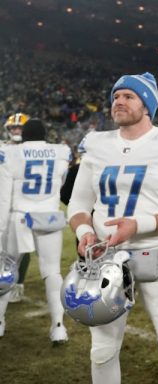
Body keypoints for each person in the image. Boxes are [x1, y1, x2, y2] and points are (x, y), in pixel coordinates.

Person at [66, 72, 158, 383]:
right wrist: (84, 233)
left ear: (147, 105)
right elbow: (78, 204)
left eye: (129, 96)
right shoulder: (96, 144)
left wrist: (138, 225)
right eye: (115, 96)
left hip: (155, 255)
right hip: (104, 259)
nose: (119, 101)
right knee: (102, 351)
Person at [0, 119, 71, 342]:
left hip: (19, 216)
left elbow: (4, 197)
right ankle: (58, 327)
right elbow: (61, 182)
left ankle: (0, 322)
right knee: (52, 272)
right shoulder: (61, 152)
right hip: (49, 216)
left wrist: (0, 229)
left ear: (24, 135)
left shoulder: (10, 153)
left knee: (6, 269)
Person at [2, 113, 31, 303]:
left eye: (20, 127)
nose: (16, 130)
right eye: (13, 127)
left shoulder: (33, 150)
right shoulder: (3, 148)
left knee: (22, 245)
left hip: (24, 203)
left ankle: (18, 283)